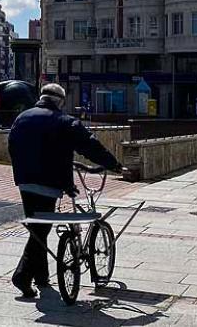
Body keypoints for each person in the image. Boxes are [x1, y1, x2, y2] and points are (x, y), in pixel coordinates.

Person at [7, 83, 123, 298]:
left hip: (24, 182)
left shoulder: (22, 118)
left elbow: (11, 145)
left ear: (41, 97)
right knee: (40, 231)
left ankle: (41, 277)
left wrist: (22, 171)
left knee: (37, 227)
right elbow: (89, 145)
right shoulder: (65, 122)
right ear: (60, 101)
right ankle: (22, 276)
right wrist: (113, 164)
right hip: (49, 185)